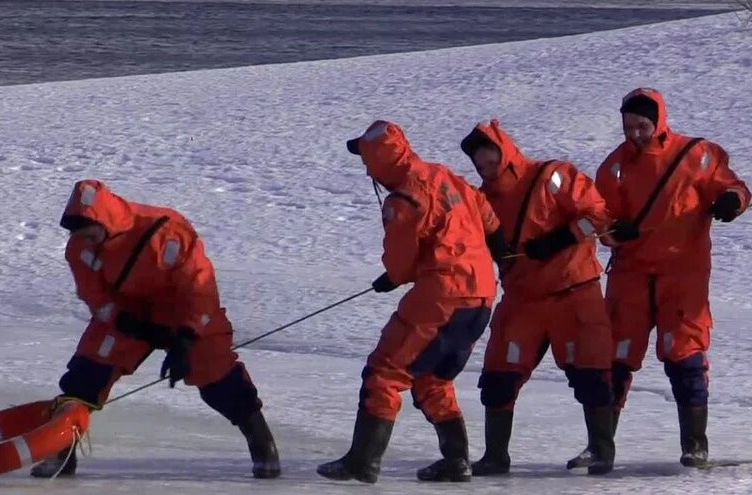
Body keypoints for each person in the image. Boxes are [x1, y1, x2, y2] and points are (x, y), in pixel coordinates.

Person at [30, 179, 280, 480]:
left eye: (90, 233)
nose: (86, 240)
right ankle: (62, 450)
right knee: (87, 373)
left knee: (215, 376)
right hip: (128, 314)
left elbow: (198, 287)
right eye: (79, 235)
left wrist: (186, 338)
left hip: (185, 311)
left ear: (105, 219)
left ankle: (261, 441)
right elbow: (94, 295)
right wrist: (124, 322)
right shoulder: (80, 247)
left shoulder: (165, 230)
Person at [572, 87, 749, 468]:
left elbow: (735, 186)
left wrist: (731, 201)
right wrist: (615, 232)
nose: (635, 134)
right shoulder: (613, 167)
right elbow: (599, 216)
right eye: (629, 127)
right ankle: (600, 446)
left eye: (642, 126)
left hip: (682, 275)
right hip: (631, 276)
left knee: (683, 355)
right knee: (613, 358)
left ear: (659, 121)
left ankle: (695, 445)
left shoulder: (698, 156)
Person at [316, 120, 500, 484]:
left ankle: (363, 461)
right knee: (433, 377)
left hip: (442, 295)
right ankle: (456, 460)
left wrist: (394, 277)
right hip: (481, 296)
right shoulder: (443, 174)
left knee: (384, 373)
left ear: (382, 162)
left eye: (367, 161)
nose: (366, 169)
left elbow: (400, 265)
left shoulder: (402, 200)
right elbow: (489, 219)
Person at [460, 120, 616, 476]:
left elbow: (599, 216)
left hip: (575, 293)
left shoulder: (552, 177)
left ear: (506, 152)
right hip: (522, 299)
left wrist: (561, 239)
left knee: (590, 375)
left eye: (490, 161)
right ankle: (495, 456)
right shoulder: (480, 201)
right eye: (480, 167)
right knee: (498, 376)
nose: (486, 170)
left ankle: (602, 451)